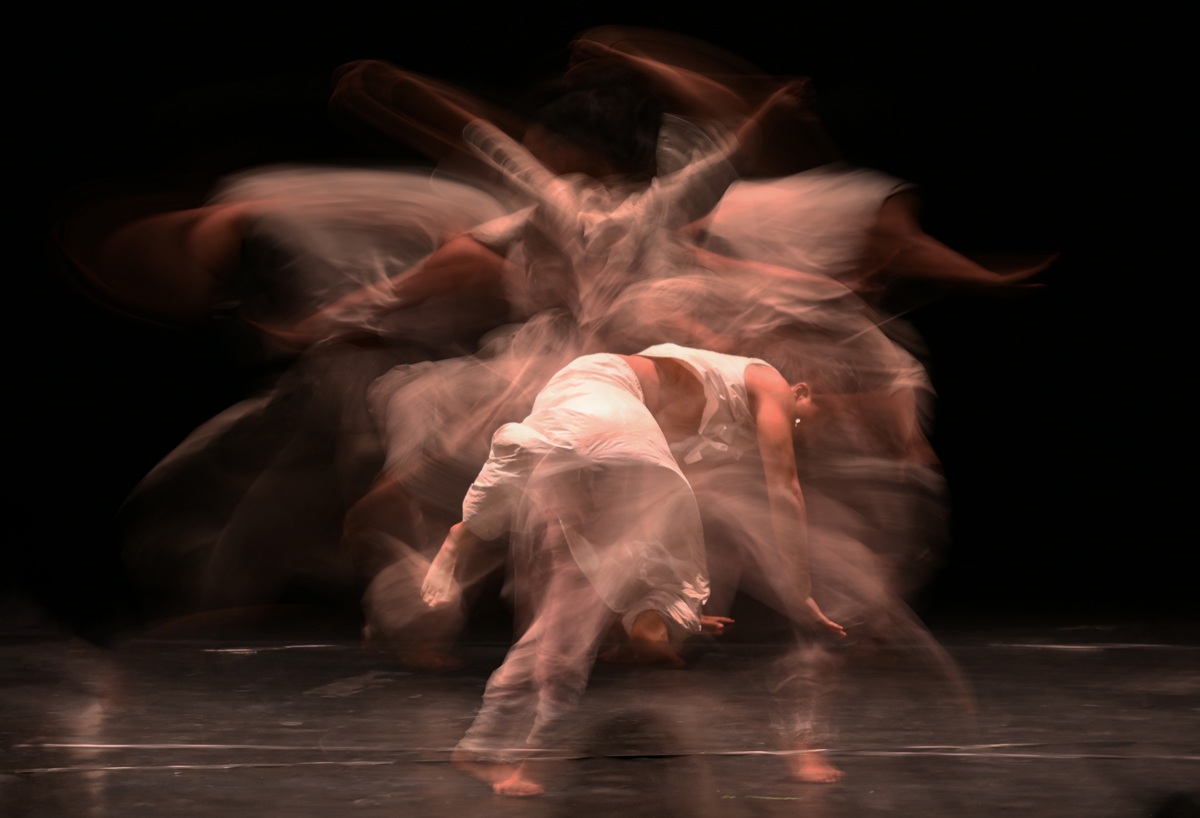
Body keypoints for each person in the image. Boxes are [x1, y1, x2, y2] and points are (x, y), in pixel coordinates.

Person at [419, 343, 844, 797]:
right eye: (804, 419)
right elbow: (784, 489)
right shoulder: (769, 383)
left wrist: (669, 603)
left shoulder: (704, 413)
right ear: (800, 391)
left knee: (572, 598)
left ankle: (485, 742)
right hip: (599, 409)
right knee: (601, 584)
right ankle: (530, 754)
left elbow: (644, 526)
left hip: (580, 409)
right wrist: (799, 590)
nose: (797, 430)